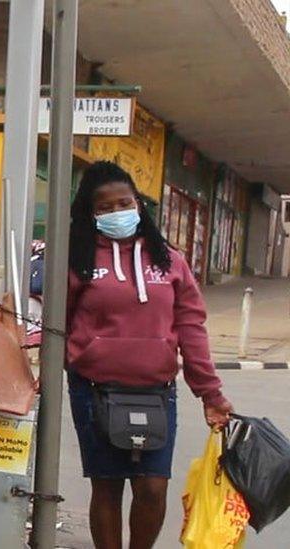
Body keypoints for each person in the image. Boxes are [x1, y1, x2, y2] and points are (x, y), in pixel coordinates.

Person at [65, 161, 233, 549]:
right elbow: (57, 319)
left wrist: (210, 393)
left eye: (124, 203)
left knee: (153, 488)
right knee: (106, 486)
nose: (116, 213)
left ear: (139, 205)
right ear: (91, 214)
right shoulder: (79, 258)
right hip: (94, 389)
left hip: (156, 390)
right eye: (104, 208)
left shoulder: (169, 260)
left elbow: (191, 326)